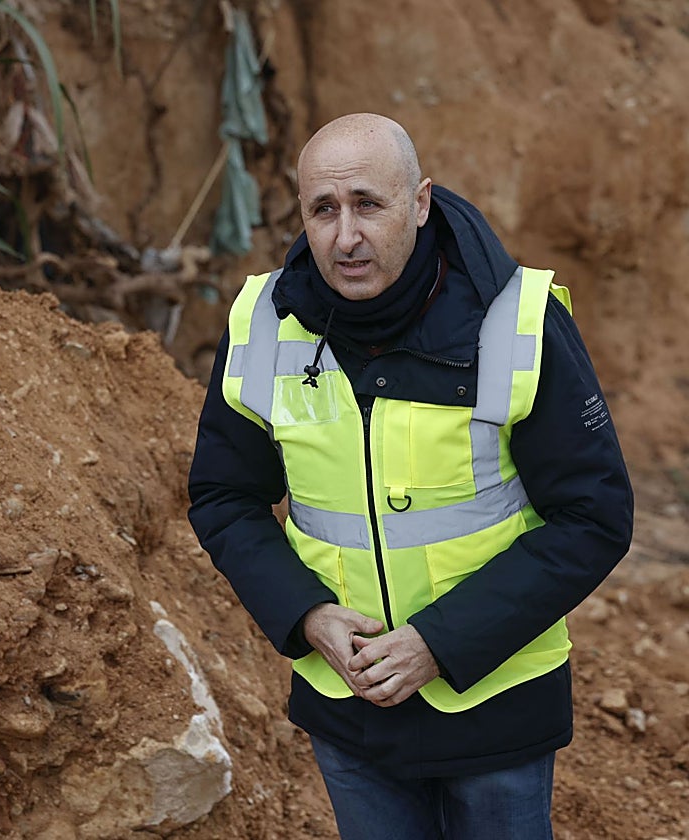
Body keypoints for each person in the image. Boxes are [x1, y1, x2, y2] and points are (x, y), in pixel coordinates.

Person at [187, 113, 633, 839]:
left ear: (419, 203)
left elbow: (595, 516)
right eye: (323, 210)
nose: (344, 236)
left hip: (497, 707)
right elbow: (223, 496)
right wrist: (307, 615)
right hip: (348, 710)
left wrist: (439, 642)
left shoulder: (518, 322)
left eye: (369, 204)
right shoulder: (262, 326)